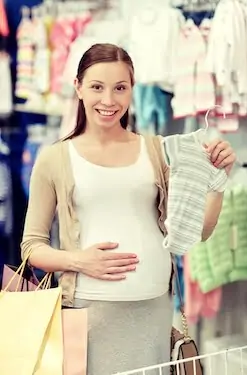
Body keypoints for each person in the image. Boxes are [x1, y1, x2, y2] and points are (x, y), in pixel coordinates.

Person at [21, 43, 236, 375]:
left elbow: (197, 232)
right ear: (78, 87)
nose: (109, 100)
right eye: (97, 87)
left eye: (120, 88)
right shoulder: (54, 158)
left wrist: (217, 185)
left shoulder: (155, 150)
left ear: (132, 90)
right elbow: (31, 247)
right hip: (90, 315)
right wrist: (78, 260)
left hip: (153, 310)